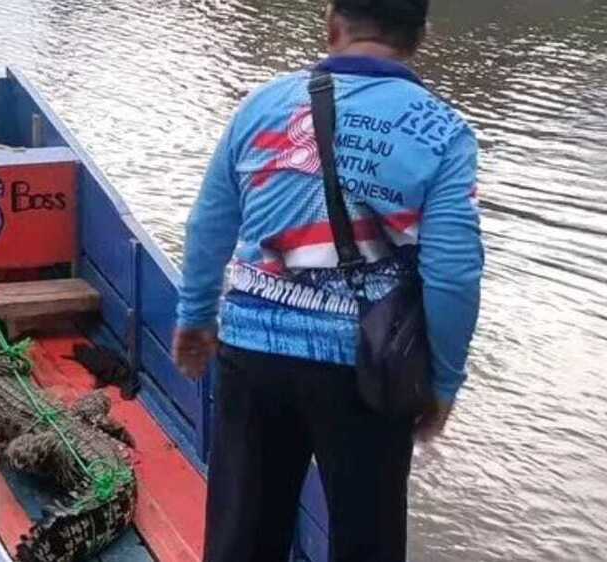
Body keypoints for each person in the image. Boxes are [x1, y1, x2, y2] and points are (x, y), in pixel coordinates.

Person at [173, 1, 483, 561]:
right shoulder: (444, 132)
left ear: (332, 25)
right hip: (367, 369)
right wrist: (443, 383)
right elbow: (453, 275)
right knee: (368, 541)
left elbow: (209, 225)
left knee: (242, 539)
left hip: (252, 351)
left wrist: (195, 318)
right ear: (420, 38)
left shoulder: (262, 105)